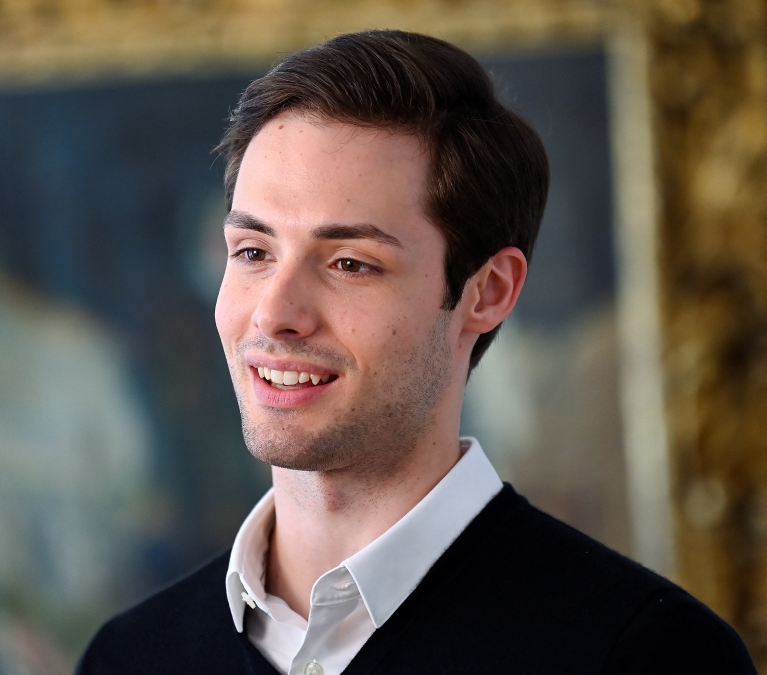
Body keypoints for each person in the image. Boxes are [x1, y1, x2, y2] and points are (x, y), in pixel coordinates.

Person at [77, 30, 756, 674]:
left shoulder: (650, 655)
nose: (275, 313)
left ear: (486, 292)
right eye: (253, 252)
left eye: (349, 263)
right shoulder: (128, 657)